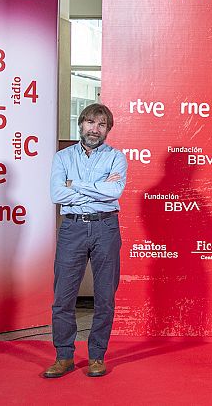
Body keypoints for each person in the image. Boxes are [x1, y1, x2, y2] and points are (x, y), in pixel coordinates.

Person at [44, 103, 127, 378]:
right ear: (81, 124)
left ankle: (96, 357)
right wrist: (98, 190)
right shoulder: (63, 157)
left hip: (106, 228)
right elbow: (57, 195)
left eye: (102, 124)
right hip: (72, 229)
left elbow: (114, 191)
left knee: (105, 298)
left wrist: (75, 185)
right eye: (91, 122)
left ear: (108, 130)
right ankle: (64, 356)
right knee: (63, 298)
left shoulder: (117, 158)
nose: (95, 129)